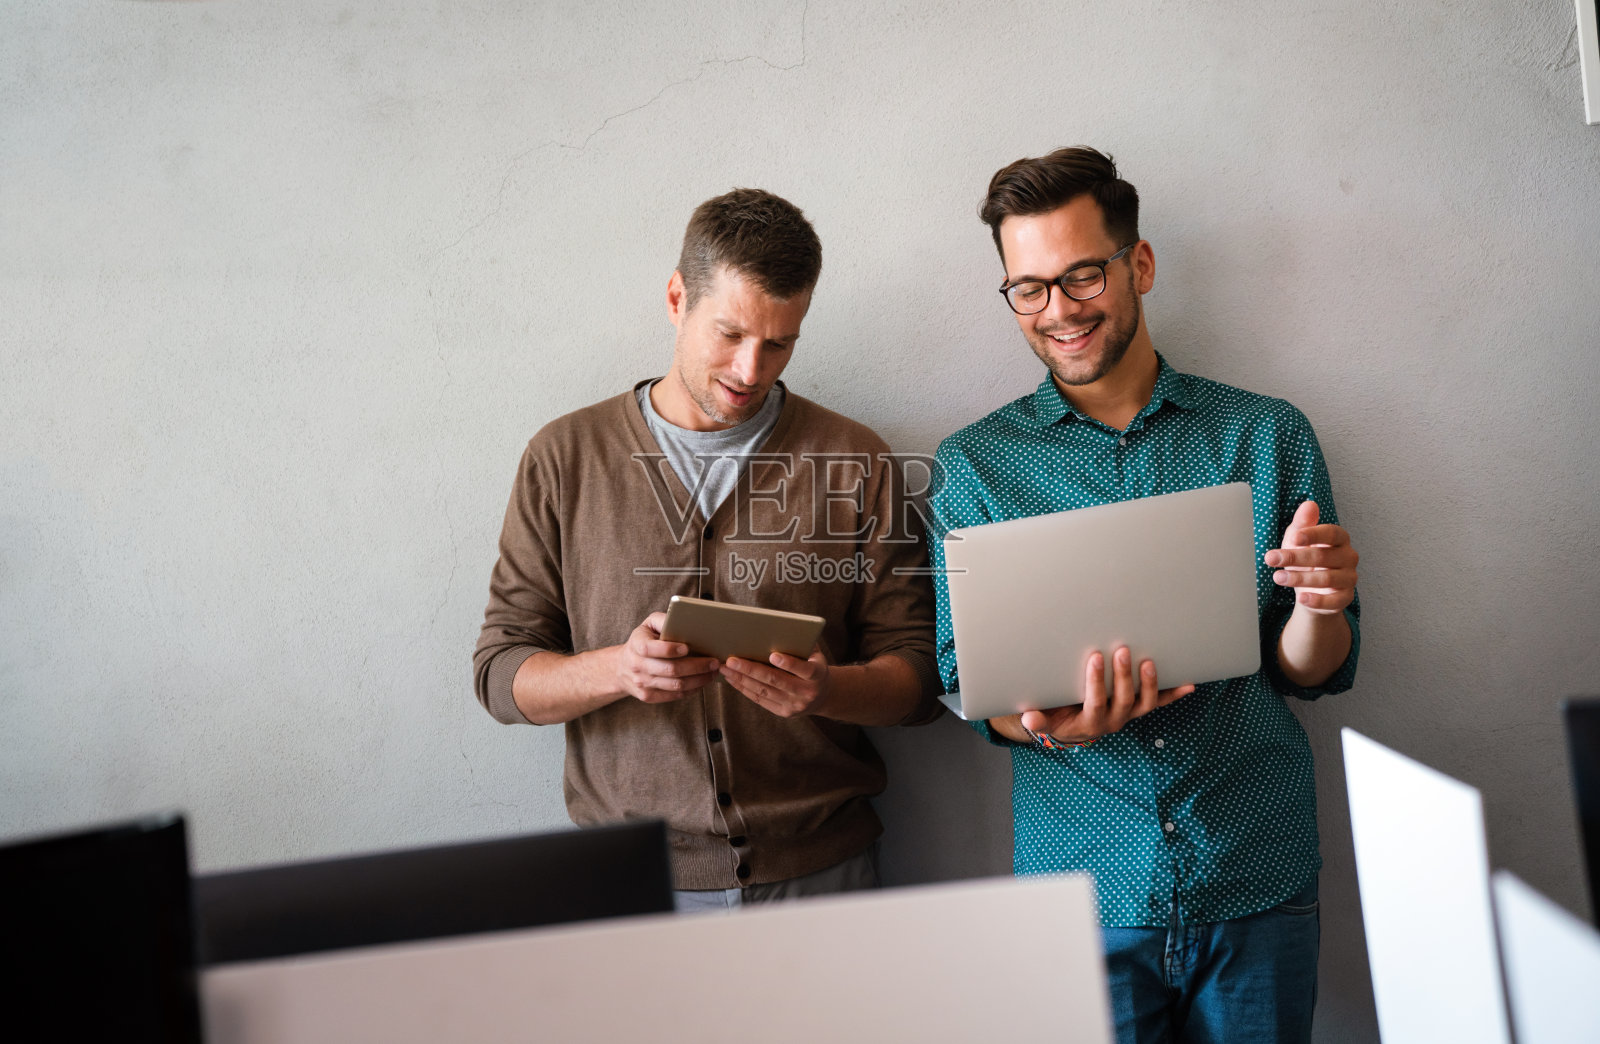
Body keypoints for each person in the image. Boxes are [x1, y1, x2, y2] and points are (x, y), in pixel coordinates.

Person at [928, 148, 1361, 1043]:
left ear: (1141, 265)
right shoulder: (973, 467)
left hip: (1256, 871)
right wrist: (1052, 723)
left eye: (1082, 274)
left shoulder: (1266, 434)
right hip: (1082, 888)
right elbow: (966, 680)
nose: (1059, 311)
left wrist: (1320, 610)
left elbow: (1308, 671)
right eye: (1029, 288)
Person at [473, 188, 941, 913]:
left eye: (779, 343)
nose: (752, 370)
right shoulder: (563, 458)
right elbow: (501, 677)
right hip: (631, 885)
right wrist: (620, 670)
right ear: (675, 298)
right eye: (729, 333)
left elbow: (917, 677)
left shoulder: (855, 460)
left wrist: (826, 691)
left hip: (823, 878)